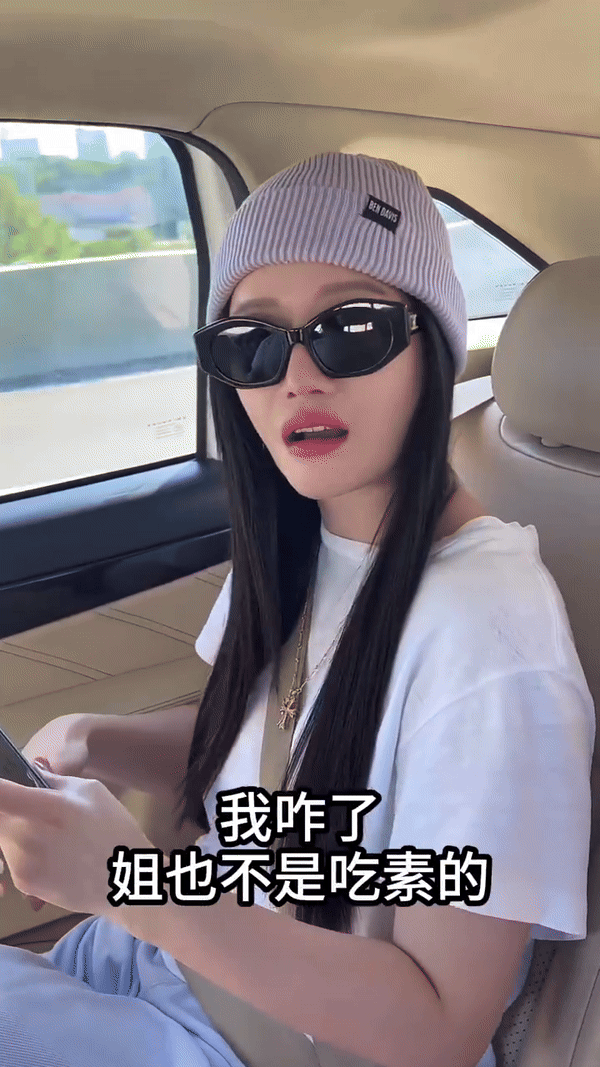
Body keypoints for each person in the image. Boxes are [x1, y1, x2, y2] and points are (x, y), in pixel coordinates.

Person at [0, 152, 595, 1067]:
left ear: (431, 347)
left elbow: (441, 1028)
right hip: (170, 964)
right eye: (254, 342)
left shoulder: (491, 634)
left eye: (351, 328)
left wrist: (130, 882)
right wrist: (96, 739)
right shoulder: (308, 541)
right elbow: (267, 751)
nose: (298, 376)